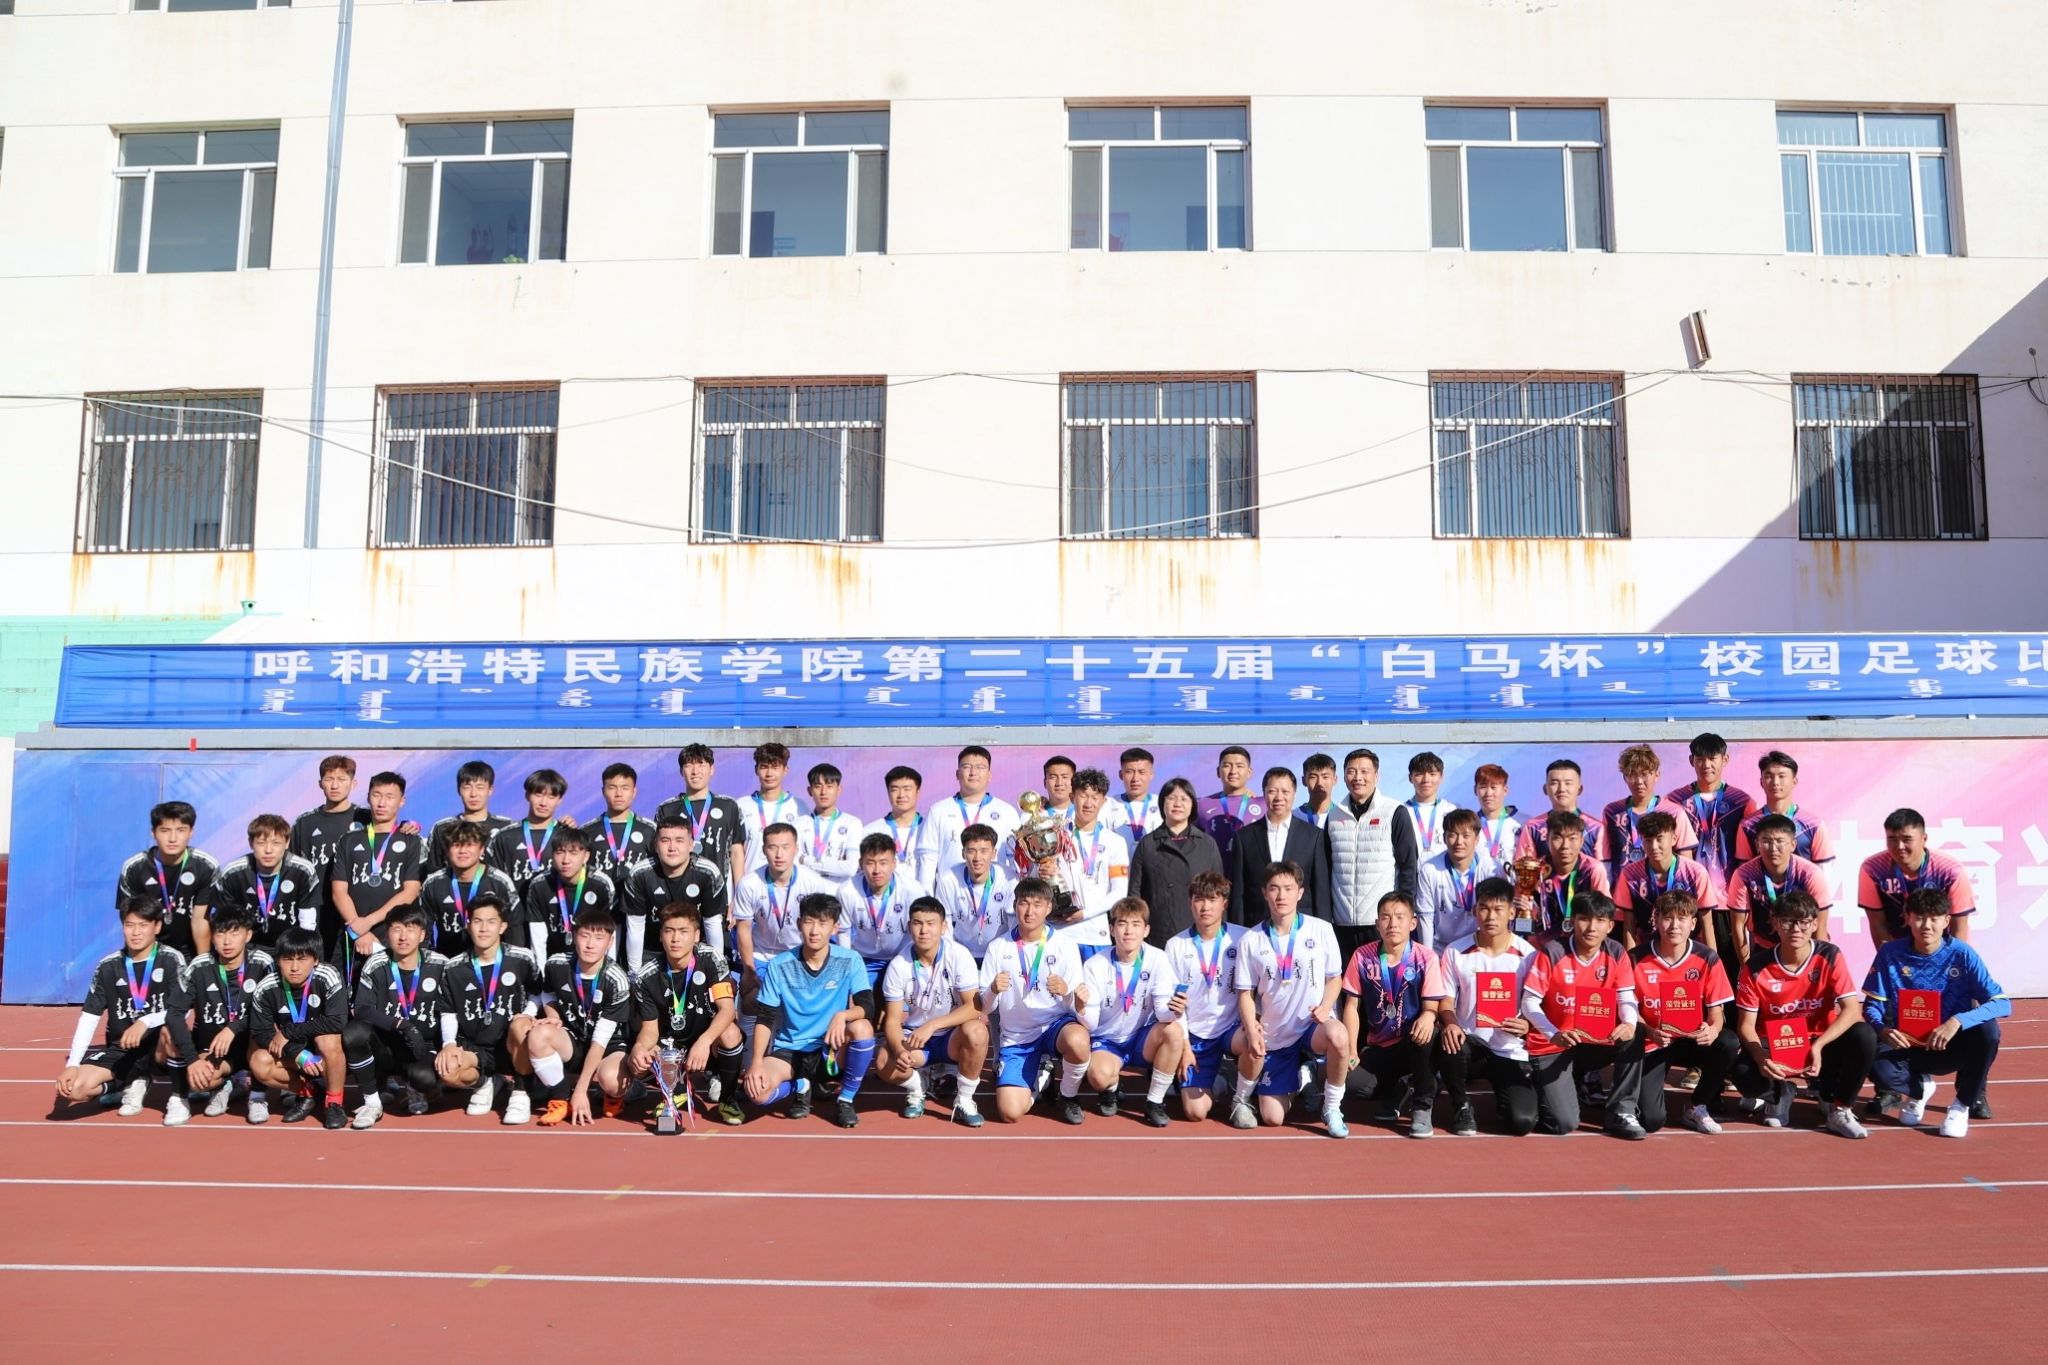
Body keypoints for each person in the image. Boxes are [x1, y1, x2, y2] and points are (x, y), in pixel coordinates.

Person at [1863, 888, 2010, 1139]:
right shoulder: (1890, 953)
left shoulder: (1962, 954)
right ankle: (1920, 1088)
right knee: (1869, 1053)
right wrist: (1882, 1029)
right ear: (1907, 919)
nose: (1927, 926)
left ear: (1946, 921)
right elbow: (1871, 1006)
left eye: (1934, 918)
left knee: (1988, 1031)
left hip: (1950, 1044)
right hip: (1907, 1045)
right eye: (1919, 918)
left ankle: (1961, 1106)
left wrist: (1958, 1021)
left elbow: (2001, 1003)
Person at [1732, 891, 1876, 1138]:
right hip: (1776, 1044)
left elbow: (1852, 1010)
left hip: (1821, 1042)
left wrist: (1818, 1046)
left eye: (1803, 922)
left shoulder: (1830, 955)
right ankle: (1780, 1092)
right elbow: (1745, 1025)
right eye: (1787, 921)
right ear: (1775, 923)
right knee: (1738, 1068)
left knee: (1864, 1036)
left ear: (1815, 924)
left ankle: (1839, 1107)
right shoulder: (1755, 966)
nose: (1796, 929)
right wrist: (1760, 1057)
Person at [1229, 862, 1350, 1137]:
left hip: (1312, 1027)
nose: (1281, 896)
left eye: (1288, 888)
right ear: (1264, 893)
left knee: (1339, 1036)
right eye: (1274, 889)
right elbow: (1245, 993)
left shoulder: (1321, 930)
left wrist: (1326, 1006)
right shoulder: (1251, 940)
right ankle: (1303, 1076)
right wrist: (1251, 1027)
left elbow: (1335, 978)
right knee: (1272, 1117)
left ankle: (1332, 1108)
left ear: (1300, 892)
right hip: (1276, 1035)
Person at [742, 893, 876, 1129]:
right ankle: (800, 1084)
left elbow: (868, 1006)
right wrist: (757, 1062)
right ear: (798, 924)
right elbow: (765, 1018)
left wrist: (842, 1015)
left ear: (835, 928)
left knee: (863, 1028)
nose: (815, 931)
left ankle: (845, 1099)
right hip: (790, 1050)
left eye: (823, 923)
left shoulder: (850, 960)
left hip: (830, 1049)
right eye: (809, 922)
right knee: (757, 1093)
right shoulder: (779, 965)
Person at [1521, 890, 1647, 1139]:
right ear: (1572, 921)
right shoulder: (1552, 951)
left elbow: (1626, 998)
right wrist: (1553, 1033)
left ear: (1610, 926)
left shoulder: (1616, 952)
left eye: (1600, 920)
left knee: (1635, 1033)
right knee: (1563, 1123)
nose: (1591, 927)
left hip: (1594, 1042)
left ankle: (1621, 1112)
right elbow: (1529, 1002)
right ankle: (1544, 1086)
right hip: (1554, 1044)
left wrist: (1630, 1024)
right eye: (1584, 919)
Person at [54, 899, 187, 1118]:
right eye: (129, 925)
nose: (136, 932)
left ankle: (178, 1098)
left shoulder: (171, 959)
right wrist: (73, 1064)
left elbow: (183, 1009)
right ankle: (129, 1083)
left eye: (143, 925)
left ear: (157, 927)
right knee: (74, 1088)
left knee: (172, 1030)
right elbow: (89, 1017)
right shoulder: (108, 966)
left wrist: (145, 1021)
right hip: (123, 1048)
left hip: (159, 1046)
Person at [978, 876, 1091, 1124]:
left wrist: (1067, 991)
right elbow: (985, 1007)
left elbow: (1077, 1005)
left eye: (1037, 904)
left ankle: (1068, 1096)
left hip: (1054, 1027)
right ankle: (1042, 1078)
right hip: (1017, 1036)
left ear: (1049, 908)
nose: (1030, 911)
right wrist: (993, 990)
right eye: (1024, 903)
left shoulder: (1065, 946)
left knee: (1078, 1040)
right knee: (1009, 1113)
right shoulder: (998, 947)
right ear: (1014, 905)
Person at [1432, 878, 1540, 1137]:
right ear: (1474, 911)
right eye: (1484, 908)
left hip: (1510, 1049)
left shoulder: (1529, 955)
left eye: (1498, 909)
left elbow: (1536, 1004)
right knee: (1450, 1040)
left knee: (1522, 1122)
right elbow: (1445, 1001)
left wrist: (1527, 1024)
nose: (1491, 917)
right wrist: (1451, 1024)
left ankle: (1505, 1101)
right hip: (1471, 1044)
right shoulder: (1456, 951)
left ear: (1511, 912)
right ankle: (1461, 1105)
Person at [628, 902, 747, 1129]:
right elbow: (650, 1029)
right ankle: (675, 1091)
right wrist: (640, 1047)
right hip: (670, 1046)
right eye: (669, 931)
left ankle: (728, 1099)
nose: (675, 939)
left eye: (683, 931)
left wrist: (705, 1041)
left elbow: (727, 1009)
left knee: (730, 1033)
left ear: (696, 935)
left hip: (707, 1041)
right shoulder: (646, 975)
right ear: (660, 936)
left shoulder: (711, 959)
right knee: (639, 1060)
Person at [1630, 890, 1738, 1134]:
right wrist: (1649, 1031)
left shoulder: (1707, 957)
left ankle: (1697, 1105)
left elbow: (1717, 1012)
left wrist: (1712, 1030)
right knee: (1651, 1120)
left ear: (1693, 923)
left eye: (1682, 918)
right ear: (1656, 921)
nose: (1674, 925)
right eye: (1668, 918)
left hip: (1692, 1040)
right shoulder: (1636, 958)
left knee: (1728, 1042)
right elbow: (1629, 1010)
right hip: (1655, 1041)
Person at [877, 897, 990, 1126]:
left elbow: (975, 1006)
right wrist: (899, 1050)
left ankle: (964, 1100)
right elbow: (892, 1021)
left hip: (950, 1037)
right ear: (909, 926)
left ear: (943, 926)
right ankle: (918, 1087)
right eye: (917, 923)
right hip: (916, 1039)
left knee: (977, 1031)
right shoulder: (898, 965)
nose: (924, 930)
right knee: (883, 1061)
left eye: (931, 923)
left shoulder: (959, 955)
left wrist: (933, 1025)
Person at [1339, 892, 1443, 1138]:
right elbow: (1351, 1007)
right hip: (1381, 1045)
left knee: (1428, 1032)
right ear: (1377, 924)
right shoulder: (1362, 956)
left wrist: (1429, 1016)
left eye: (1399, 917)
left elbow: (1432, 1007)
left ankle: (1422, 1105)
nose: (1392, 924)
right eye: (1385, 917)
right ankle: (1398, 1088)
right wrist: (1352, 1050)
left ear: (1413, 923)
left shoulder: (1426, 957)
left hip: (1414, 1042)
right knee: (1352, 1084)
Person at [433, 894, 541, 1124]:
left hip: (511, 1045)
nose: (483, 928)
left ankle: (520, 1091)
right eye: (477, 921)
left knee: (522, 1026)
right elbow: (448, 1011)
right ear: (468, 925)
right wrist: (449, 1044)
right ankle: (485, 1083)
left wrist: (527, 1014)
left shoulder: (522, 959)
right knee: (447, 1070)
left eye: (491, 922)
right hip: (475, 1047)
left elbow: (537, 993)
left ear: (502, 927)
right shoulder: (453, 967)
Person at [1078, 897, 1185, 1126]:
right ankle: (1111, 1087)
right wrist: (1080, 1007)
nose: (1128, 931)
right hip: (1107, 1040)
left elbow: (1162, 1013)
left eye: (1136, 924)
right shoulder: (1095, 965)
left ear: (1146, 930)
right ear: (1111, 929)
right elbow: (1091, 1023)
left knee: (1174, 1031)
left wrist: (1175, 1011)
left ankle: (1154, 1102)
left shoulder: (1158, 959)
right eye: (1122, 924)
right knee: (1098, 1077)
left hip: (1141, 1038)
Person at [525, 907, 635, 1127]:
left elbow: (600, 1040)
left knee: (612, 1081)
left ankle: (618, 1092)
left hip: (608, 1045)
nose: (590, 944)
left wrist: (582, 1090)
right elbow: (548, 992)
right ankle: (560, 1098)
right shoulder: (556, 964)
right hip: (573, 1037)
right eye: (584, 935)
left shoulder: (617, 979)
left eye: (599, 938)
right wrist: (553, 1015)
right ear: (574, 936)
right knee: (538, 1034)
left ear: (610, 942)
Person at [163, 903, 272, 1125]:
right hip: (214, 1049)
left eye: (234, 933)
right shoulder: (200, 966)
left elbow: (271, 1013)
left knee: (261, 1028)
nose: (227, 941)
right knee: (196, 1078)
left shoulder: (263, 963)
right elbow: (174, 1014)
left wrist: (233, 1027)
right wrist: (192, 1060)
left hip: (252, 1045)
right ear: (212, 936)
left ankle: (257, 1096)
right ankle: (204, 1091)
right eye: (220, 933)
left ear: (248, 935)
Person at [341, 903, 445, 1127]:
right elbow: (362, 1009)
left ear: (422, 935)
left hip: (422, 1046)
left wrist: (445, 1046)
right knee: (354, 1033)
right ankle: (372, 1102)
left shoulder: (439, 965)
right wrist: (400, 1024)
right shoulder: (376, 963)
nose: (403, 936)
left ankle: (417, 1088)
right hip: (387, 1044)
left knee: (424, 1078)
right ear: (387, 934)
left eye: (410, 929)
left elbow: (451, 1011)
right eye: (397, 929)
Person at [1161, 872, 1249, 1122]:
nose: (1205, 907)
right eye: (1199, 900)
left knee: (1252, 1040)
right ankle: (1221, 1081)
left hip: (1232, 1028)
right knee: (1195, 1112)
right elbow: (1175, 1005)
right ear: (1190, 904)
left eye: (1212, 899)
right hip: (1196, 1034)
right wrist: (1184, 1047)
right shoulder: (1176, 945)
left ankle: (1243, 1095)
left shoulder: (1243, 938)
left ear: (1224, 903)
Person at [246, 927, 350, 1130]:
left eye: (302, 959)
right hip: (293, 1054)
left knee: (327, 1040)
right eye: (287, 959)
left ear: (316, 960)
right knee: (258, 1062)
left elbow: (337, 1021)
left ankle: (334, 1103)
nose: (294, 967)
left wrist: (288, 1032)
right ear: (278, 961)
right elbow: (261, 1032)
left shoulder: (328, 975)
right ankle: (308, 1092)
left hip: (327, 1053)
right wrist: (298, 1054)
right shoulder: (266, 987)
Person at [330, 771, 425, 982]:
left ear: (402, 801)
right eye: (376, 795)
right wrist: (359, 930)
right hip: (352, 934)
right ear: (368, 797)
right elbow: (338, 892)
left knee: (393, 993)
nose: (382, 803)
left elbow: (410, 892)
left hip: (394, 935)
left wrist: (369, 922)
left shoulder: (412, 841)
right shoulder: (349, 840)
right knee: (344, 995)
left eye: (390, 797)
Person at [1327, 747, 1415, 963]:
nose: (1358, 777)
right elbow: (1328, 867)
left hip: (1380, 923)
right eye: (1351, 771)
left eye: (1364, 771)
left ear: (1376, 775)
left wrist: (1403, 912)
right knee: (1346, 982)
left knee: (1382, 980)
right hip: (1342, 923)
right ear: (1344, 776)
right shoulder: (1334, 815)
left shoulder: (1394, 812)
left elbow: (1408, 866)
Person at [732, 823, 833, 999]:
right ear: (764, 850)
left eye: (785, 847)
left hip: (800, 955)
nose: (779, 854)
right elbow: (743, 929)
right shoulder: (749, 884)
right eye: (773, 847)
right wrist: (749, 970)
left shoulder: (813, 883)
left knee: (802, 1003)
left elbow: (821, 928)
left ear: (796, 849)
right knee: (751, 1000)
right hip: (761, 955)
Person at [617, 814, 728, 972]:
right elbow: (635, 928)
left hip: (695, 949)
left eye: (679, 840)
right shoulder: (639, 874)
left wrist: (718, 970)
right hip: (652, 950)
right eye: (665, 840)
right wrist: (635, 973)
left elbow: (713, 926)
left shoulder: (708, 873)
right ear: (656, 845)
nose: (672, 847)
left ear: (691, 845)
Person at [1724, 812, 1833, 968]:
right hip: (1764, 948)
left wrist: (1815, 967)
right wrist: (1746, 967)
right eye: (1766, 841)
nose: (1773, 848)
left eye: (1780, 841)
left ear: (1793, 845)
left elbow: (1820, 928)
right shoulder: (1744, 875)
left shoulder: (1810, 874)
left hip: (1803, 951)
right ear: (1757, 845)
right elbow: (1737, 926)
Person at [1858, 807, 1977, 948]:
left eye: (1907, 839)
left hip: (1942, 950)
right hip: (1898, 949)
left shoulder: (1951, 871)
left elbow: (1959, 928)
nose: (1899, 846)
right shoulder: (1872, 869)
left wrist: (1951, 960)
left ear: (1924, 839)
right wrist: (1889, 959)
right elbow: (1878, 924)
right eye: (1892, 839)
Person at [1127, 777, 1225, 946]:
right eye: (1171, 798)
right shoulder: (1148, 844)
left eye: (1184, 799)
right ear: (1162, 804)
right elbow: (1135, 892)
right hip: (1159, 931)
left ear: (1192, 805)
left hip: (1199, 929)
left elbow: (1219, 891)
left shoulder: (1207, 843)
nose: (1178, 804)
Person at [1229, 766, 1331, 926]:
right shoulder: (1244, 837)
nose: (1279, 797)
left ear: (1294, 793)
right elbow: (1238, 894)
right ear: (1263, 793)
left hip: (1302, 927)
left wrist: (1322, 929)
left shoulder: (1314, 836)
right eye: (1272, 791)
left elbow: (1321, 892)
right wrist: (1238, 930)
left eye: (1285, 791)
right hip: (1257, 926)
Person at [117, 799, 218, 960]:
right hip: (149, 950)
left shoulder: (206, 866)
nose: (173, 838)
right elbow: (131, 920)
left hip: (188, 949)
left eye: (181, 830)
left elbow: (200, 920)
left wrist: (202, 964)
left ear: (191, 832)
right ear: (153, 833)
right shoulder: (134, 868)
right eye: (164, 830)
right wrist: (138, 960)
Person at [289, 755, 365, 955]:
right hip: (316, 907)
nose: (335, 785)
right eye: (329, 779)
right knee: (316, 959)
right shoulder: (305, 823)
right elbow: (292, 866)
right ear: (320, 784)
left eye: (341, 779)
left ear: (353, 783)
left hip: (354, 907)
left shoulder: (365, 818)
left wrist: (409, 826)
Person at [1611, 810, 1718, 952]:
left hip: (1689, 949)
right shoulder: (1629, 875)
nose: (1654, 846)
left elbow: (1707, 924)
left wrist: (1713, 961)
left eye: (1659, 839)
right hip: (1648, 950)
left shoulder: (1696, 873)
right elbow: (1629, 926)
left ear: (1674, 839)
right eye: (1648, 840)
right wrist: (1630, 960)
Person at [1053, 768, 1131, 958]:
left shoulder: (1115, 842)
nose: (1088, 803)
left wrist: (1084, 914)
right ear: (1072, 797)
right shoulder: (1056, 836)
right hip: (1060, 934)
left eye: (1095, 797)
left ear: (1104, 801)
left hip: (1096, 935)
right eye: (1083, 796)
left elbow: (1119, 892)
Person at [840, 832, 925, 1006]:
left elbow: (921, 930)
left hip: (903, 958)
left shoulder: (912, 890)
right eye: (870, 863)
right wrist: (847, 974)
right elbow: (843, 934)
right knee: (856, 1008)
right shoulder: (847, 891)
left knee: (902, 1013)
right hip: (864, 960)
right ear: (860, 864)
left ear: (894, 863)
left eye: (883, 863)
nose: (877, 870)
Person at [214, 813, 319, 950]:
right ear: (251, 843)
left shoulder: (303, 871)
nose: (268, 850)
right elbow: (223, 923)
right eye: (261, 843)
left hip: (290, 949)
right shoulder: (232, 873)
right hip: (246, 948)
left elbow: (307, 925)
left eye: (276, 843)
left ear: (287, 843)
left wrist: (299, 952)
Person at [518, 824, 617, 965]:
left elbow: (609, 934)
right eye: (560, 852)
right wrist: (542, 973)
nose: (565, 860)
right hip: (554, 961)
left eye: (573, 853)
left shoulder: (602, 885)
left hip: (591, 961)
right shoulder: (539, 885)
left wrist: (605, 969)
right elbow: (538, 939)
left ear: (586, 856)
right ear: (552, 855)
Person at [419, 822, 519, 960]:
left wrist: (511, 964)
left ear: (482, 849)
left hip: (492, 963)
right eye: (456, 845)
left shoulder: (500, 883)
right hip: (448, 962)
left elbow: (515, 929)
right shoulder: (433, 884)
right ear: (447, 850)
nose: (463, 851)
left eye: (469, 845)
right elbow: (423, 930)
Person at [656, 743, 748, 891]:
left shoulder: (729, 806)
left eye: (701, 764)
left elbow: (736, 852)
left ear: (711, 769)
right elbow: (659, 853)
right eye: (689, 765)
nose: (695, 771)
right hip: (677, 892)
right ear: (681, 771)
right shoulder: (667, 809)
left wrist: (739, 894)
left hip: (719, 891)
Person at [1670, 732, 1752, 896]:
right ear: (1691, 761)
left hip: (1729, 897)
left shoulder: (1742, 802)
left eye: (1713, 758)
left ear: (1725, 759)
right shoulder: (1675, 801)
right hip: (1689, 895)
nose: (1706, 765)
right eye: (1700, 759)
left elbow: (1749, 857)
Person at [1600, 744, 1697, 882]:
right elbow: (1605, 860)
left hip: (1663, 891)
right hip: (1622, 890)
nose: (1639, 781)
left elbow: (1686, 863)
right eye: (1632, 775)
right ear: (1624, 778)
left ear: (1657, 775)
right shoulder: (1612, 812)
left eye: (1645, 774)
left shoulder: (1674, 812)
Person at [921, 746, 1022, 873]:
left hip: (994, 885)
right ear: (957, 774)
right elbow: (928, 859)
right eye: (967, 767)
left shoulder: (1007, 812)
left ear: (989, 775)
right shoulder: (938, 810)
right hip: (950, 885)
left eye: (980, 767)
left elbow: (1016, 859)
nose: (973, 772)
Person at [1516, 810, 1611, 943]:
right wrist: (1528, 912)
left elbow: (1604, 913)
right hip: (1543, 944)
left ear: (1582, 841)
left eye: (1572, 838)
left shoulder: (1593, 869)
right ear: (1547, 839)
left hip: (1581, 943)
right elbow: (1521, 923)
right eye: (1557, 838)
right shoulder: (1533, 871)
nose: (1565, 846)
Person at [485, 769, 571, 902]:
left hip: (558, 910)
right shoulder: (505, 836)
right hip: (515, 912)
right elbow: (493, 881)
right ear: (527, 795)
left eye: (551, 797)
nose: (543, 802)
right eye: (538, 794)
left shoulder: (567, 835)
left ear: (559, 800)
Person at [1735, 750, 1834, 865]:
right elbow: (1743, 870)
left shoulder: (1814, 825)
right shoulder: (1747, 825)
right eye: (1768, 776)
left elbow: (1824, 871)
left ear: (1794, 781)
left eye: (1782, 776)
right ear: (1761, 782)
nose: (1775, 782)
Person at [934, 823, 1016, 961]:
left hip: (999, 954)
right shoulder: (948, 880)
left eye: (984, 851)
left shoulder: (1009, 879)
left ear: (994, 853)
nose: (977, 858)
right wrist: (952, 957)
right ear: (963, 853)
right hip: (961, 955)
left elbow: (1014, 926)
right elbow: (944, 925)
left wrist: (1006, 956)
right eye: (971, 851)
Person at [426, 759, 515, 875]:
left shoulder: (506, 827)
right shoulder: (442, 828)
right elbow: (433, 872)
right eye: (467, 787)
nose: (473, 794)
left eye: (480, 787)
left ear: (490, 790)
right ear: (459, 790)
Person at [1513, 759, 1608, 867]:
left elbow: (1604, 870)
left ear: (1580, 789)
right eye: (1554, 783)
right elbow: (1525, 868)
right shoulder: (1533, 827)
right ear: (1545, 789)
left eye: (1568, 783)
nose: (1561, 789)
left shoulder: (1596, 828)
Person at [1416, 808, 1484, 950]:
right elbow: (1425, 919)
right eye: (1453, 835)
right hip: (1442, 949)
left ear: (1477, 839)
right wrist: (1428, 957)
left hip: (1478, 948)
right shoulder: (1429, 869)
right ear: (1444, 838)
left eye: (1466, 835)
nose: (1459, 842)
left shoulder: (1489, 869)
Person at [863, 764, 938, 887]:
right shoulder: (870, 831)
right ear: (888, 792)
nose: (901, 795)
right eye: (895, 789)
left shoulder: (930, 827)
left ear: (918, 792)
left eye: (907, 789)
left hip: (923, 897)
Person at [585, 762, 655, 888]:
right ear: (603, 791)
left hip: (637, 899)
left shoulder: (651, 830)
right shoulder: (586, 831)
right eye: (612, 788)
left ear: (634, 792)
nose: (618, 794)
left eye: (625, 788)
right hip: (598, 898)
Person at [738, 742, 803, 874]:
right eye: (764, 767)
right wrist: (740, 883)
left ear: (785, 770)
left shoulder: (799, 807)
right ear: (756, 770)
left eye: (775, 767)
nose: (769, 773)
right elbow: (736, 851)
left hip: (788, 882)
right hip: (752, 882)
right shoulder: (741, 806)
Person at [797, 762, 862, 887]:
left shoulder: (852, 823)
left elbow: (851, 868)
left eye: (829, 786)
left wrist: (806, 860)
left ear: (839, 790)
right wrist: (836, 865)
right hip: (808, 892)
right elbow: (795, 864)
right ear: (810, 791)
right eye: (818, 786)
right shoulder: (799, 823)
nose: (823, 792)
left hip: (838, 893)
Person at [1196, 745, 1263, 862]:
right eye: (1227, 766)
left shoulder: (1263, 804)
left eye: (1239, 766)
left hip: (1252, 872)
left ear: (1249, 772)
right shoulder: (1202, 805)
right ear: (1218, 771)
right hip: (1215, 871)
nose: (1233, 771)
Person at [1395, 751, 1460, 862]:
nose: (1426, 780)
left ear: (1441, 777)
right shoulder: (1401, 811)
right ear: (1410, 778)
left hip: (1443, 871)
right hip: (1411, 872)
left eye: (1432, 774)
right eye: (1419, 774)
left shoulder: (1450, 810)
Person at [1105, 747, 1163, 849]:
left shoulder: (1162, 804)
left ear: (1151, 774)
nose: (1135, 779)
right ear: (1121, 775)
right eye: (1129, 772)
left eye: (1141, 772)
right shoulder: (1108, 804)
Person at [1469, 763, 1521, 879]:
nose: (1488, 794)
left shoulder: (1519, 827)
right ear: (1475, 790)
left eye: (1493, 787)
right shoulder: (1469, 827)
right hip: (1476, 889)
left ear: (1505, 790)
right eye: (1483, 787)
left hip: (1510, 889)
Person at [1296, 753, 1339, 832]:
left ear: (1335, 780)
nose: (1319, 783)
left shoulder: (1344, 817)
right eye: (1313, 777)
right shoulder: (1293, 817)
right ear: (1304, 780)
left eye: (1325, 777)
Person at [1042, 755, 1079, 827]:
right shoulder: (1035, 815)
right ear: (1044, 783)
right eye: (1053, 777)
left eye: (1064, 777)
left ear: (1074, 782)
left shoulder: (1087, 813)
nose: (1059, 783)